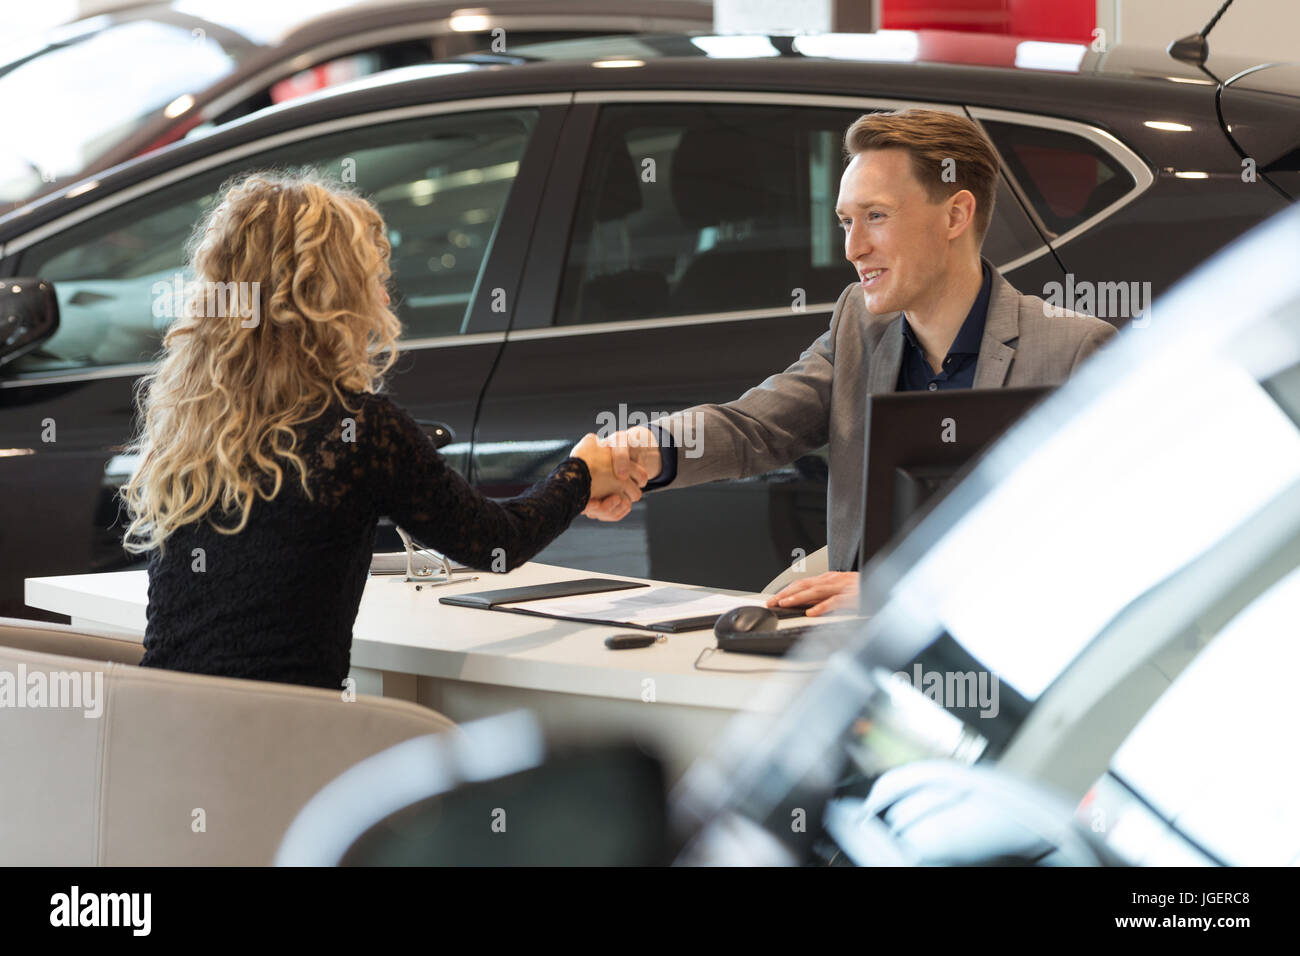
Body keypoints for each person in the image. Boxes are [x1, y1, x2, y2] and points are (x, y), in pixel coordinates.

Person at [122, 172, 646, 690]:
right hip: (283, 743)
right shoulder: (359, 429)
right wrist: (579, 475)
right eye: (371, 277)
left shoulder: (191, 423)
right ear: (329, 299)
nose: (385, 298)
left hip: (156, 734)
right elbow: (495, 543)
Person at [585, 109, 1117, 615]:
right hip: (851, 646)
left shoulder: (1072, 352)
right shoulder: (859, 325)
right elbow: (756, 427)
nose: (853, 248)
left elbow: (1095, 553)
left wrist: (895, 592)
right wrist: (640, 452)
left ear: (956, 215)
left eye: (876, 217)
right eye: (845, 221)